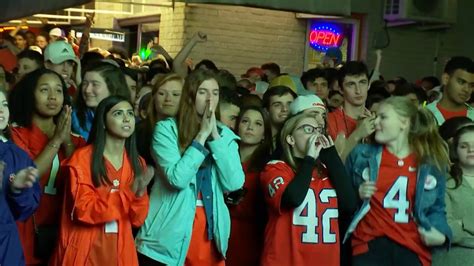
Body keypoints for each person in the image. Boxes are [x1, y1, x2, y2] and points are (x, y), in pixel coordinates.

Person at [135, 69, 245, 265]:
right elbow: (177, 179)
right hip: (169, 230)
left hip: (210, 229)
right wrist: (201, 136)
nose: (210, 99)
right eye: (203, 92)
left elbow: (234, 183)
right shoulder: (166, 129)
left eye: (215, 92)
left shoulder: (225, 136)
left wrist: (215, 137)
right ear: (191, 95)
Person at [345, 96, 452, 266]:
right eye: (375, 116)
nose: (376, 122)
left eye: (383, 117)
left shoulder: (430, 164)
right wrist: (356, 194)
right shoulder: (361, 155)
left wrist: (442, 235)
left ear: (404, 122)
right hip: (368, 246)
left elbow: (437, 208)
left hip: (413, 249)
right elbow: (341, 197)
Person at [50, 96, 152, 265]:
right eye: (118, 113)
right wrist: (128, 194)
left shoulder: (137, 162)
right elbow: (84, 210)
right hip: (84, 252)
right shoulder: (81, 159)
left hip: (121, 252)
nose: (126, 118)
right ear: (103, 122)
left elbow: (137, 220)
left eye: (130, 114)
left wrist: (140, 195)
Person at [8, 68, 86, 264]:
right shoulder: (16, 135)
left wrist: (66, 140)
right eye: (44, 90)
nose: (53, 97)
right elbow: (27, 175)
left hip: (65, 229)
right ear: (30, 94)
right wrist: (56, 140)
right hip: (25, 227)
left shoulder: (76, 141)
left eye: (59, 90)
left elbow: (83, 181)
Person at [260, 110, 357, 266]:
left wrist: (331, 154)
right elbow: (293, 198)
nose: (315, 135)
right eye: (308, 129)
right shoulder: (275, 169)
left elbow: (350, 204)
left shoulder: (328, 171)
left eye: (318, 130)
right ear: (290, 139)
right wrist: (309, 159)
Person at [226, 106, 273, 266]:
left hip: (250, 239)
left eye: (258, 124)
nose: (250, 127)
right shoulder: (224, 158)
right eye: (245, 121)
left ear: (264, 135)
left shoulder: (268, 167)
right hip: (220, 234)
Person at [0, 86, 40, 265]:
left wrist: (17, 190)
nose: (1, 110)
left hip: (6, 249)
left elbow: (26, 210)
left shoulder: (18, 155)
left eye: (4, 104)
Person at [431, 125, 474, 265]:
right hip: (453, 260)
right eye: (464, 146)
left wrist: (463, 224)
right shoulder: (443, 182)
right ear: (455, 150)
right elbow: (445, 230)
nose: (471, 150)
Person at [327, 61, 376, 161]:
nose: (358, 90)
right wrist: (357, 135)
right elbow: (333, 166)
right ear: (340, 89)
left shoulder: (377, 120)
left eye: (362, 82)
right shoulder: (329, 120)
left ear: (369, 85)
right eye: (351, 84)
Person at [72, 61, 131, 141]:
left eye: (95, 84)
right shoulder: (73, 118)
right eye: (85, 83)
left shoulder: (127, 119)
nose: (87, 90)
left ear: (112, 88)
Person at [136, 73, 183, 165]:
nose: (168, 99)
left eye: (176, 94)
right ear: (154, 97)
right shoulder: (138, 131)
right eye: (161, 93)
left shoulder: (191, 130)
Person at [426, 56, 474, 125]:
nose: (466, 89)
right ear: (446, 79)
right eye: (461, 82)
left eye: (472, 85)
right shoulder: (425, 116)